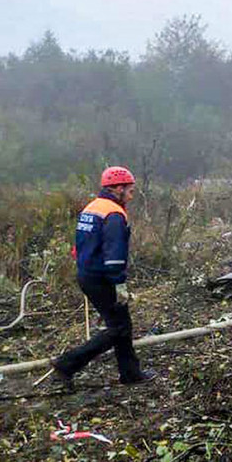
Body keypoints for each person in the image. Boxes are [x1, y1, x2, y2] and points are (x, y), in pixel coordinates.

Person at [51, 166, 154, 389]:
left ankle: (131, 373)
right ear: (118, 188)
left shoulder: (92, 207)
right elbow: (114, 253)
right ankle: (67, 364)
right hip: (102, 278)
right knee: (118, 328)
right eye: (130, 190)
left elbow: (78, 247)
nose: (132, 195)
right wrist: (119, 283)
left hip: (87, 274)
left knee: (122, 325)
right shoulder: (114, 214)